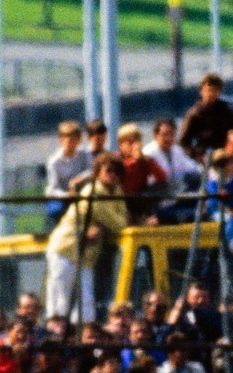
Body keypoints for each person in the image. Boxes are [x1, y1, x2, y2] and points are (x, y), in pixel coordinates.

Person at [45, 154, 127, 323]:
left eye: (117, 171)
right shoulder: (92, 192)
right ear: (97, 172)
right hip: (65, 250)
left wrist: (103, 227)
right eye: (108, 170)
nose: (113, 175)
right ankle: (57, 344)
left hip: (86, 257)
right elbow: (118, 223)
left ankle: (82, 344)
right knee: (60, 305)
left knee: (85, 308)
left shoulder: (116, 192)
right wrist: (107, 226)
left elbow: (122, 219)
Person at [143, 118, 202, 222]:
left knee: (196, 179)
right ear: (155, 136)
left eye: (171, 134)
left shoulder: (176, 150)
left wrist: (207, 171)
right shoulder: (148, 153)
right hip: (155, 199)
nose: (168, 138)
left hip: (174, 197)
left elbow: (192, 167)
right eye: (164, 134)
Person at [179, 73, 233, 158]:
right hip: (203, 156)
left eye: (215, 90)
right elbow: (183, 142)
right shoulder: (195, 113)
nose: (211, 94)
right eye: (209, 90)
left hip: (225, 155)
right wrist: (196, 156)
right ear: (201, 91)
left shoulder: (226, 112)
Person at [45, 120, 92, 228]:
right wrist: (67, 195)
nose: (69, 140)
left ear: (79, 139)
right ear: (60, 139)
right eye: (65, 136)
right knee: (55, 210)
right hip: (62, 197)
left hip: (82, 195)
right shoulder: (54, 161)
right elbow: (53, 188)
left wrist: (80, 179)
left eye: (73, 136)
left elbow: (92, 171)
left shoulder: (84, 155)